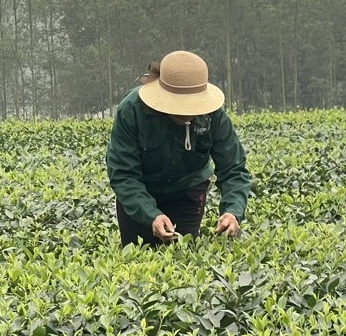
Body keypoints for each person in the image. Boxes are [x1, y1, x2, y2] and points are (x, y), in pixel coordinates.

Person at [106, 50, 251, 247]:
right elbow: (123, 174)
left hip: (187, 192)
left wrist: (232, 211)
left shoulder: (214, 116)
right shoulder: (132, 111)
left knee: (182, 255)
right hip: (140, 192)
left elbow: (233, 168)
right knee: (137, 258)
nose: (187, 112)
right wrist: (151, 216)